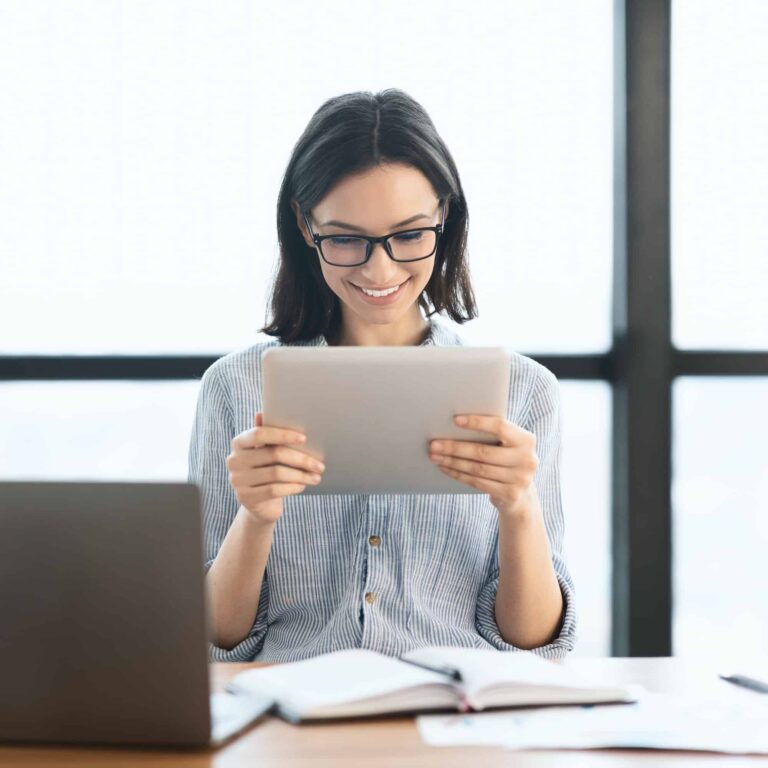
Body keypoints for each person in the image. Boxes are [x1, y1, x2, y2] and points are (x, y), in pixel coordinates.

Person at [188, 89, 576, 662]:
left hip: (452, 721)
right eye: (345, 239)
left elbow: (536, 646)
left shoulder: (524, 392)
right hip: (292, 717)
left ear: (444, 216)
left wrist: (519, 508)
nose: (380, 268)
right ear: (304, 224)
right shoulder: (235, 388)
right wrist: (257, 514)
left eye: (410, 235)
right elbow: (214, 641)